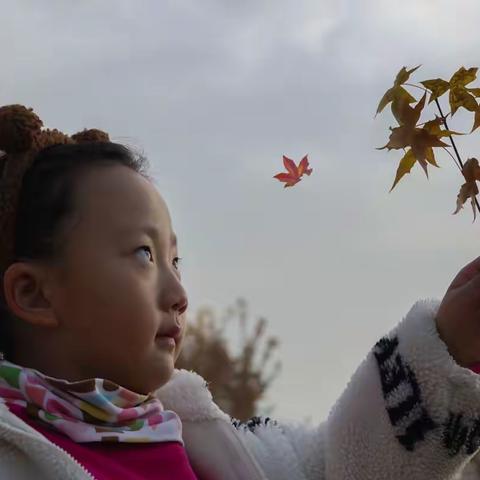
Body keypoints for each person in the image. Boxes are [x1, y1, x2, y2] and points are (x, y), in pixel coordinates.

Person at [0, 104, 479, 480]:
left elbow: (337, 467)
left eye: (175, 260)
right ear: (34, 294)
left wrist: (448, 344)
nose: (179, 292)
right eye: (144, 254)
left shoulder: (197, 436)